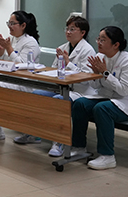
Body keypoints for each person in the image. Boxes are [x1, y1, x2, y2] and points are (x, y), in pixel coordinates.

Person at [71, 26, 128, 170]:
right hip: (106, 97)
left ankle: (107, 156)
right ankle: (79, 147)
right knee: (80, 103)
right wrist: (95, 74)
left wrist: (105, 73)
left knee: (102, 109)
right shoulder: (100, 57)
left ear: (116, 44)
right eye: (98, 39)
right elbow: (95, 86)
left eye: (103, 40)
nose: (98, 43)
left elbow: (124, 90)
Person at [23, 16, 97, 156]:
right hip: (63, 88)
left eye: (72, 29)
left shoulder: (88, 50)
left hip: (81, 92)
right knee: (37, 95)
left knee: (58, 101)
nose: (68, 32)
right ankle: (34, 134)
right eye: (67, 29)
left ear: (82, 33)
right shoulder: (63, 47)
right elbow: (54, 69)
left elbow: (86, 78)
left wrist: (68, 63)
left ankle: (59, 142)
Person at [0, 10, 40, 141]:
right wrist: (1, 50)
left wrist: (9, 49)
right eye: (9, 23)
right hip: (9, 79)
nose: (9, 26)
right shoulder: (11, 39)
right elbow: (0, 62)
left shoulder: (31, 42)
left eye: (13, 23)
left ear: (23, 25)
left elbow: (22, 65)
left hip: (23, 83)